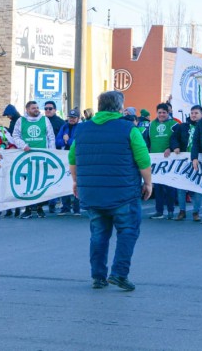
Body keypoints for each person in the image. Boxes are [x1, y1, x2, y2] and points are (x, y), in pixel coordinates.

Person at [69, 90, 152, 290]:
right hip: (123, 193)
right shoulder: (129, 129)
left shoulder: (81, 130)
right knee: (128, 231)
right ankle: (119, 274)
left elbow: (73, 159)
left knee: (98, 234)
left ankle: (98, 276)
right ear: (119, 107)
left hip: (92, 193)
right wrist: (148, 183)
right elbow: (143, 159)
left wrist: (75, 181)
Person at [12, 101, 56, 218]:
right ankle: (27, 209)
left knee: (41, 183)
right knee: (27, 183)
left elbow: (51, 137)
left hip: (42, 157)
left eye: (37, 107)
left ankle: (40, 208)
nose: (36, 109)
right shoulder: (21, 121)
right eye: (33, 108)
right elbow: (15, 136)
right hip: (26, 157)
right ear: (27, 110)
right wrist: (23, 145)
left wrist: (52, 153)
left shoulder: (45, 120)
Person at [169, 104, 202, 221]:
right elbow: (173, 138)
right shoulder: (182, 126)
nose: (193, 115)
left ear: (201, 114)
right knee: (181, 187)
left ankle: (196, 212)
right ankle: (182, 211)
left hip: (199, 160)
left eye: (196, 113)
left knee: (197, 187)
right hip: (183, 161)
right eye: (192, 113)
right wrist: (175, 147)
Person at [144, 103, 178, 220]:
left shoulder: (174, 124)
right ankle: (159, 211)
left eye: (164, 112)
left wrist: (172, 148)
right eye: (159, 112)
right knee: (158, 187)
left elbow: (179, 140)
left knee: (170, 186)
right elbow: (146, 141)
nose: (162, 114)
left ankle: (170, 210)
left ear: (168, 113)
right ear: (156, 113)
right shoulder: (151, 125)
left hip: (170, 161)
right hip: (156, 162)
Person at [56, 109, 82, 215]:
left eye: (74, 117)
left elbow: (80, 141)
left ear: (78, 118)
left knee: (76, 180)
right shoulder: (64, 126)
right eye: (70, 117)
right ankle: (65, 207)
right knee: (64, 180)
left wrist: (68, 140)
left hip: (76, 157)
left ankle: (77, 208)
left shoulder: (81, 127)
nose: (71, 119)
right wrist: (64, 141)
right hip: (64, 157)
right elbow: (57, 141)